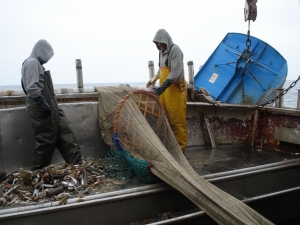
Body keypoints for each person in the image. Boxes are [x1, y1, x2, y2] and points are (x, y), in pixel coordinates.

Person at [21, 39, 82, 170]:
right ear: (40, 52)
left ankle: (77, 166)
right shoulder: (32, 62)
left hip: (51, 106)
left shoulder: (38, 64)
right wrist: (42, 103)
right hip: (41, 108)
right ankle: (37, 172)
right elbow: (32, 88)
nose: (47, 60)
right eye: (46, 56)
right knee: (46, 140)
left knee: (66, 134)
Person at [147, 29, 187, 153]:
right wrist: (154, 79)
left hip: (175, 91)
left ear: (166, 40)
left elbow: (175, 72)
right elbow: (161, 69)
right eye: (157, 44)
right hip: (165, 94)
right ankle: (170, 149)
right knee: (166, 120)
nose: (160, 46)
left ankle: (181, 151)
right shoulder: (161, 53)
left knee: (177, 122)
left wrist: (163, 87)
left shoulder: (175, 50)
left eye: (161, 43)